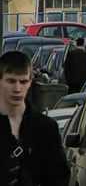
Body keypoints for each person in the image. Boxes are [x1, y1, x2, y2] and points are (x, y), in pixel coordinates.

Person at [0, 49, 69, 186]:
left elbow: (59, 177)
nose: (17, 88)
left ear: (30, 81)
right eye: (11, 81)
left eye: (23, 81)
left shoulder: (46, 128)